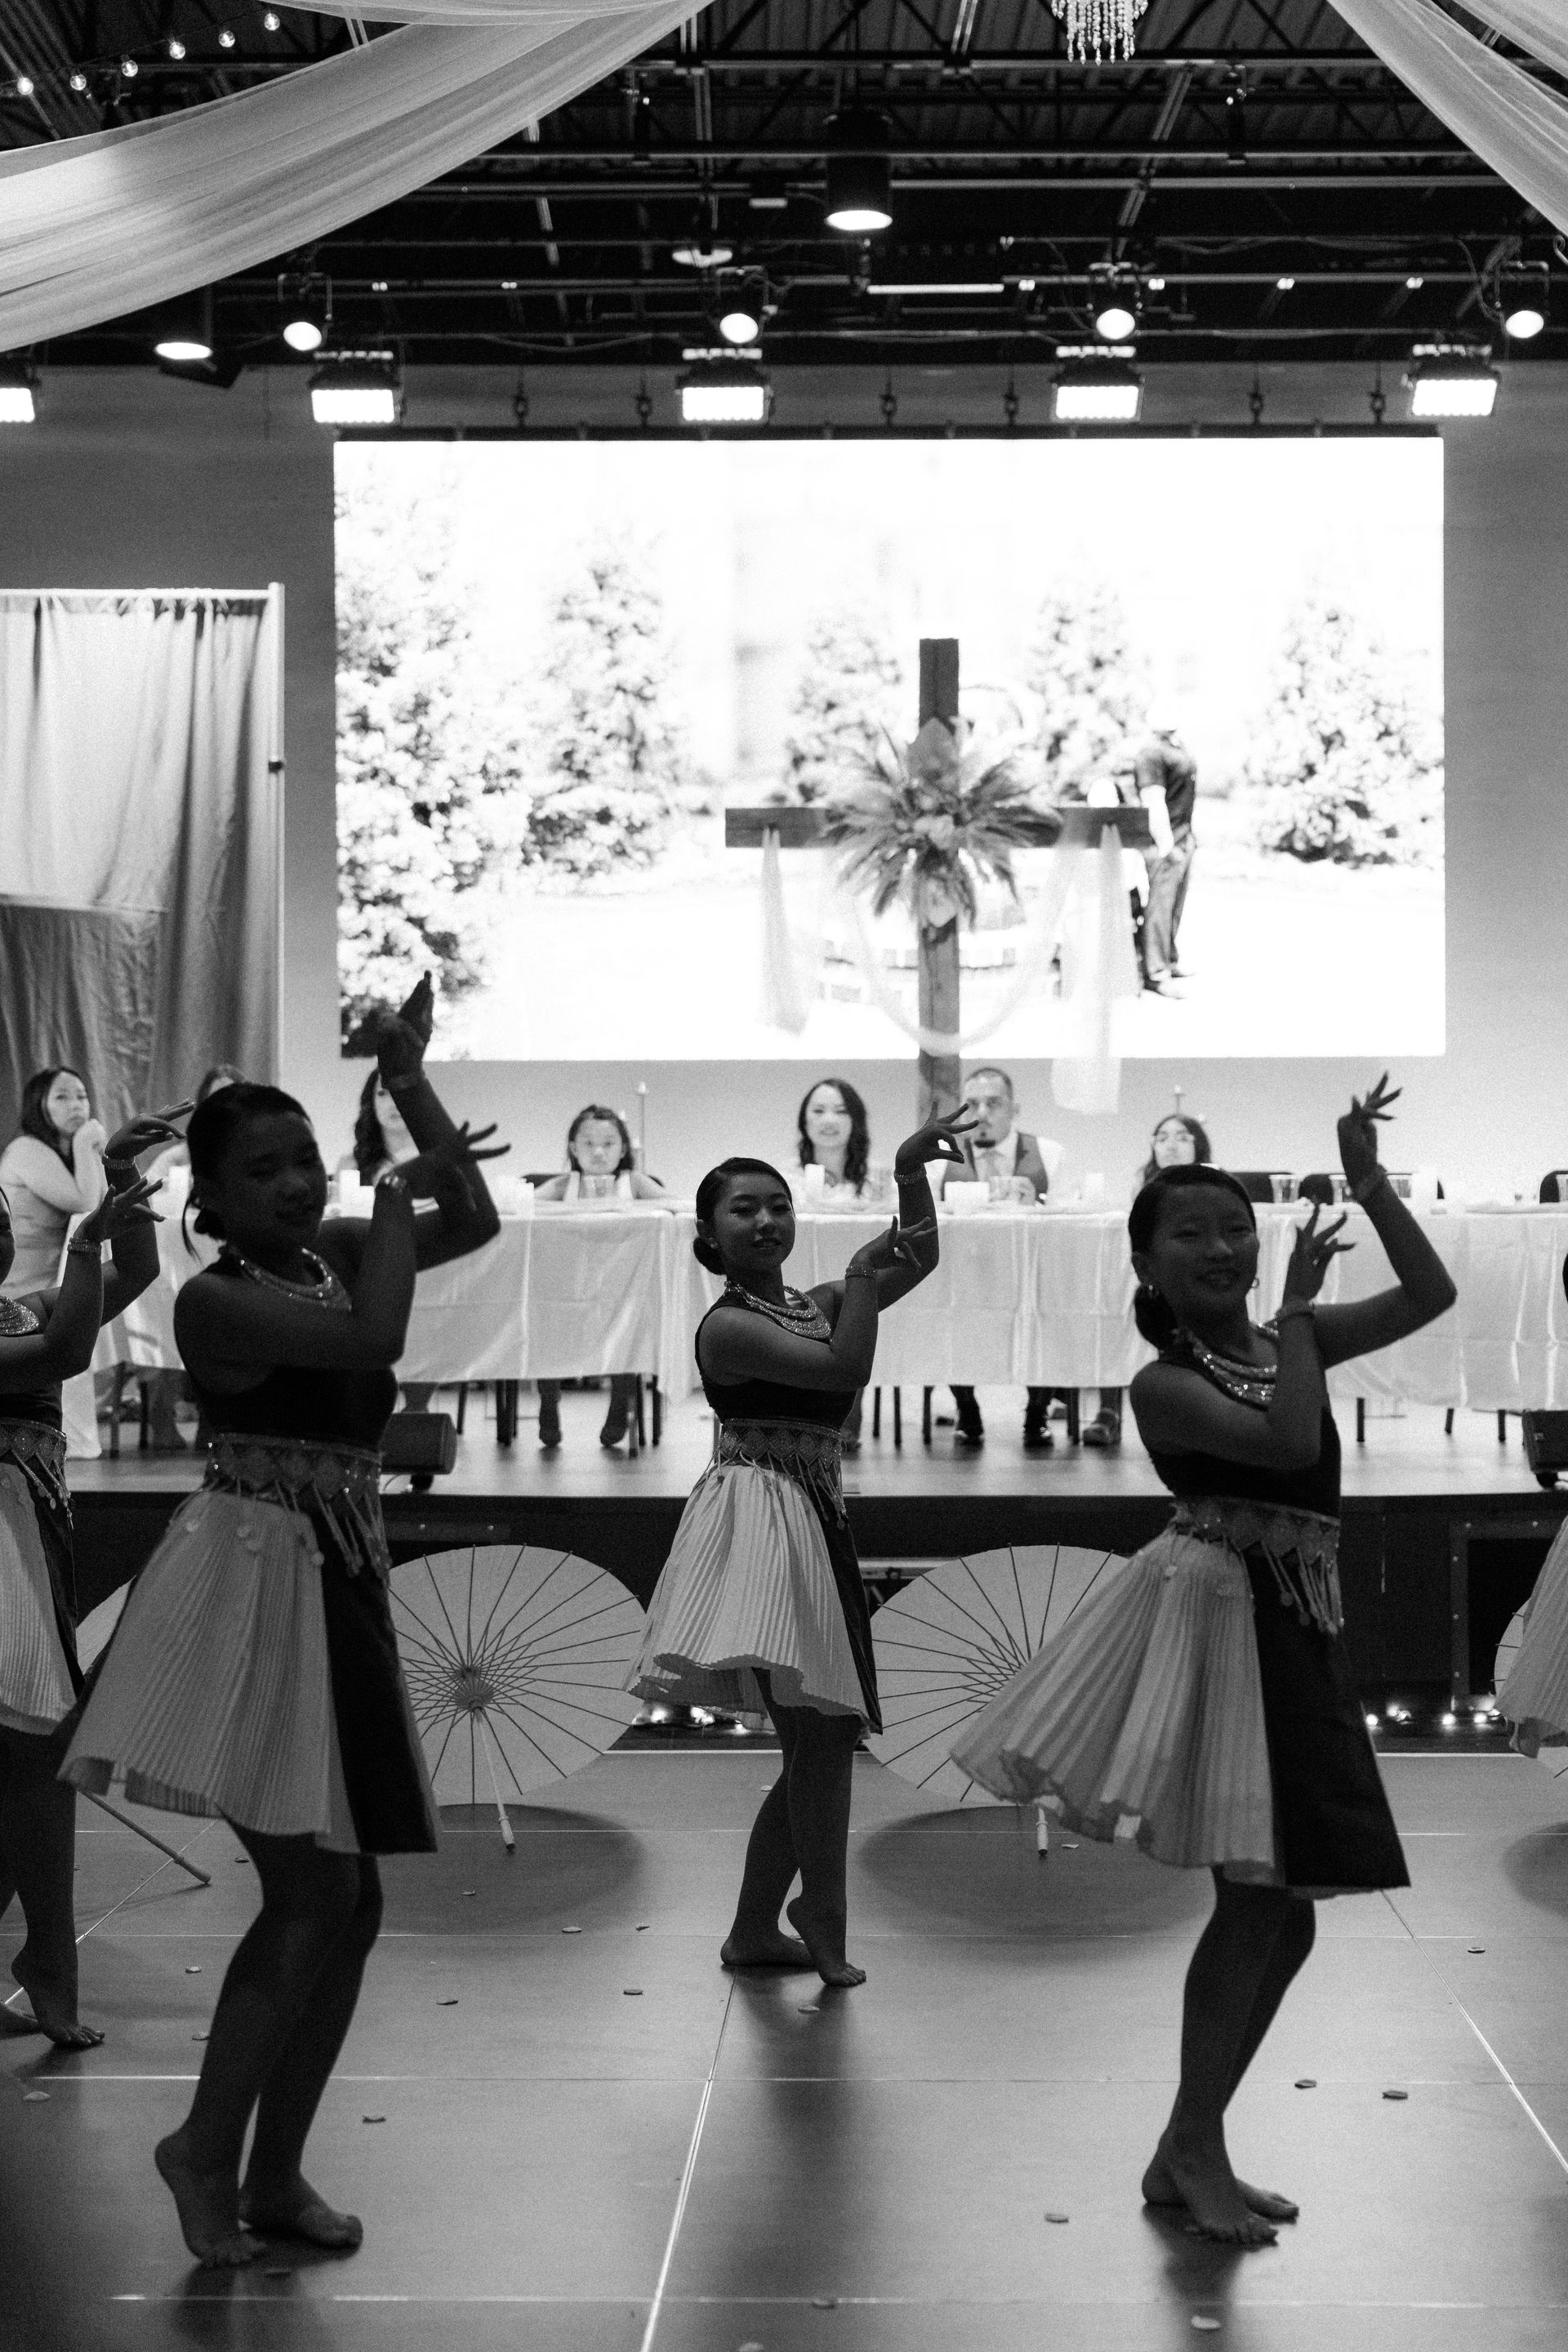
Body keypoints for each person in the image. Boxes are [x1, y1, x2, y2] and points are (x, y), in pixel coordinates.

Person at [951, 1077, 1456, 2245]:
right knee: (1257, 1900)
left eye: (1235, 1225)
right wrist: (1294, 1316)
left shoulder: (1297, 1338)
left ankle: (1191, 2142)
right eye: (1191, 1232)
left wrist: (1370, 1184)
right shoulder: (1166, 1383)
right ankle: (1191, 2145)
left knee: (1292, 1912)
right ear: (1149, 1265)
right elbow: (1287, 1439)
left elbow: (1431, 1290)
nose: (1221, 1246)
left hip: (1297, 1624)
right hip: (1227, 1632)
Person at [64, 976, 505, 2269]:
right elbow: (378, 1327)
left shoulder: (329, 1251)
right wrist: (396, 1203)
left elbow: (464, 1210)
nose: (298, 1181)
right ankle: (202, 2149)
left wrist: (409, 1085)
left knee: (351, 1900)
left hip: (335, 1572)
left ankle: (274, 2170)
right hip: (254, 1582)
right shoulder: (216, 1303)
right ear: (210, 1200)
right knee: (313, 1889)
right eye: (265, 1169)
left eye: (307, 1156)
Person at [629, 1112, 970, 1987]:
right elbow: (847, 1367)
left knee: (821, 1738)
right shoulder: (731, 1326)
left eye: (778, 1205)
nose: (767, 1221)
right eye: (744, 1210)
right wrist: (859, 1274)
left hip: (808, 1512)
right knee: (822, 1733)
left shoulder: (804, 1304)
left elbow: (919, 1256)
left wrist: (905, 1174)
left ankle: (757, 1927)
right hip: (762, 1520)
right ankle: (817, 1908)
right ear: (710, 1234)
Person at [0, 1134, 165, 2049]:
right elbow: (70, 1346)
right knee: (36, 1755)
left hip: (25, 1549)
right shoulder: (29, 1326)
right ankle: (52, 1962)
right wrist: (87, 1242)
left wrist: (117, 1169)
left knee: (26, 1761)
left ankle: (47, 1960)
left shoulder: (15, 1314)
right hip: (5, 1557)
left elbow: (133, 1263)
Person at [942, 1067, 1062, 1452]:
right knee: (947, 1316)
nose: (982, 1112)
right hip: (964, 1274)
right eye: (973, 1104)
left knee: (1048, 1315)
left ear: (1015, 1108)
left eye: (993, 1103)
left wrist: (1040, 1203)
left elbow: (1067, 1216)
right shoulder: (940, 1156)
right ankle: (966, 1405)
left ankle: (1038, 1409)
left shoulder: (1049, 1153)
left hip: (1030, 1273)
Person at [535, 1106, 667, 1451]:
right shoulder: (563, 1184)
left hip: (622, 1292)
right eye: (588, 1143)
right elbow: (522, 1207)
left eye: (608, 1143)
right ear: (572, 1148)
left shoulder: (634, 1183)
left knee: (630, 1324)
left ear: (623, 1149)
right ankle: (548, 1402)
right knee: (543, 1320)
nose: (597, 1152)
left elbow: (679, 1205)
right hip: (567, 1293)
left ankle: (620, 1402)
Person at [1086, 1113, 1217, 1452]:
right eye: (1162, 1137)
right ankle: (1108, 1411)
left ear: (1198, 1144)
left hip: (1192, 1279)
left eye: (1182, 1137)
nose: (1170, 1144)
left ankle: (1194, 1413)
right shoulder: (1142, 1188)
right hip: (1145, 1277)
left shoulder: (1215, 1186)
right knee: (1113, 1312)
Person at [1, 1067, 110, 1461]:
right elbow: (86, 1202)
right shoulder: (27, 1150)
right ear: (38, 1105)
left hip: (48, 1286)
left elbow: (99, 1206)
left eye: (81, 1095)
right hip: (17, 1296)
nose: (77, 1105)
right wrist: (86, 1143)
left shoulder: (58, 1154)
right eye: (62, 1097)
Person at [1136, 710, 1199, 995]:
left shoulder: (1177, 747)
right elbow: (1153, 800)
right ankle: (1156, 973)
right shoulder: (1150, 753)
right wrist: (1166, 844)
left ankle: (1170, 960)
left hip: (1184, 837)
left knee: (1175, 904)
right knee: (1160, 906)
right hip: (1166, 841)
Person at [796, 1079, 883, 1200]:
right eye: (819, 1111)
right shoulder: (787, 1180)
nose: (829, 1121)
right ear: (804, 1120)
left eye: (841, 1111)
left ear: (855, 1121)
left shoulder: (878, 1180)